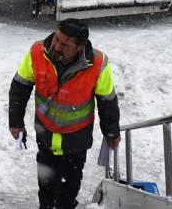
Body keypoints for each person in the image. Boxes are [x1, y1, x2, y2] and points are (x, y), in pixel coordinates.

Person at [8, 19, 120, 209]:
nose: (56, 46)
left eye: (65, 44)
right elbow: (20, 86)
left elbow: (107, 101)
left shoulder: (98, 64)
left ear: (79, 47)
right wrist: (16, 122)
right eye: (56, 39)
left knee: (67, 191)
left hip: (75, 142)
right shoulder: (37, 53)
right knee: (45, 187)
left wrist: (111, 132)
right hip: (45, 135)